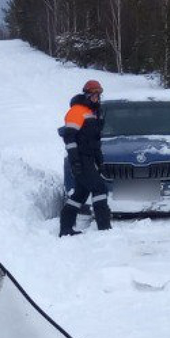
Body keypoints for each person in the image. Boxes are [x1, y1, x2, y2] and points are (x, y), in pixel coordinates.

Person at [59, 80, 111, 235]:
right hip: (80, 158)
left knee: (80, 194)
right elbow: (69, 138)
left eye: (98, 95)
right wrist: (75, 161)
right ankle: (104, 228)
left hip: (88, 158)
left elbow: (94, 141)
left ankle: (66, 228)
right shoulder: (77, 111)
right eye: (94, 94)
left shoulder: (92, 113)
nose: (96, 98)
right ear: (87, 94)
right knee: (99, 188)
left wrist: (99, 161)